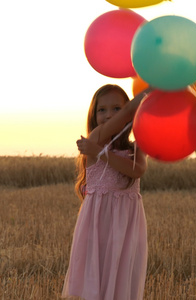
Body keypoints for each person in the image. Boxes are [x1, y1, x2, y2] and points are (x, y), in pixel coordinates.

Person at [62, 84, 153, 300]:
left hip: (127, 222)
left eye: (116, 108)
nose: (108, 115)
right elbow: (119, 121)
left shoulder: (136, 146)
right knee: (98, 276)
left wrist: (100, 154)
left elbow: (137, 170)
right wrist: (144, 94)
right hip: (98, 222)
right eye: (101, 110)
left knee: (121, 277)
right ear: (93, 115)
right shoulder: (94, 138)